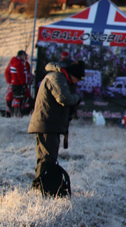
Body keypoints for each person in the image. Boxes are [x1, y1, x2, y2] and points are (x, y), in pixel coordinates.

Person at [28, 60, 84, 196]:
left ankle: (41, 188)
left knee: (46, 159)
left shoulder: (57, 77)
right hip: (47, 125)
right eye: (78, 79)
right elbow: (63, 98)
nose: (77, 82)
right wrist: (76, 98)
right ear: (72, 75)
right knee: (47, 159)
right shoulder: (57, 78)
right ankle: (43, 189)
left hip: (48, 124)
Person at [5, 50, 31, 117]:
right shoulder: (18, 63)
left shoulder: (21, 63)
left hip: (15, 83)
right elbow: (20, 75)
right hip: (17, 83)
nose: (25, 57)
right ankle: (16, 112)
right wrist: (23, 83)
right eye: (24, 55)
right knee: (16, 97)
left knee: (16, 97)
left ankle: (14, 111)